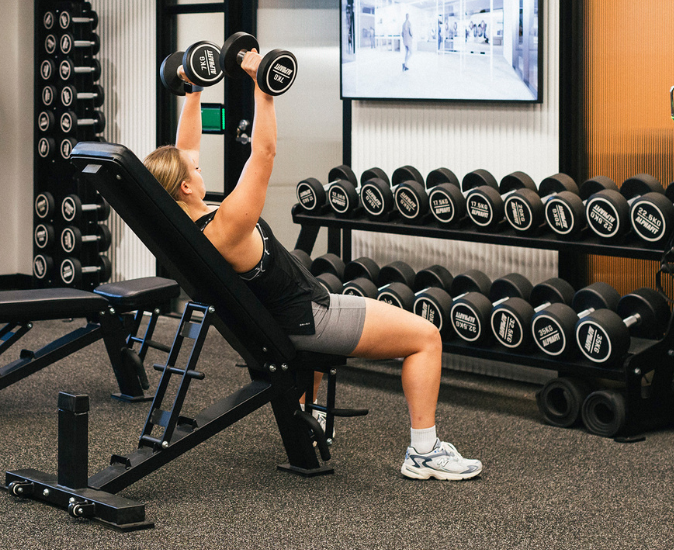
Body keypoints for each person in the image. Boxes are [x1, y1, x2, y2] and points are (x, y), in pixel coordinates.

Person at [143, 50, 482, 481]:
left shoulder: (179, 227)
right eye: (195, 167)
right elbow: (262, 154)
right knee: (426, 338)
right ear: (187, 185)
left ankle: (311, 422)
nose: (198, 160)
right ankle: (425, 452)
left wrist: (194, 88)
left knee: (355, 319)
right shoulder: (227, 225)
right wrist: (263, 89)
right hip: (310, 318)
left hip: (284, 316)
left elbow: (183, 149)